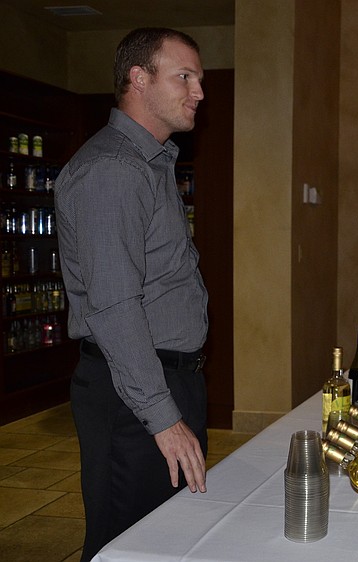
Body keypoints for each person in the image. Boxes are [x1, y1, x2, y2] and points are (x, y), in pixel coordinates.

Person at [54, 28, 209, 561]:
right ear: (138, 80)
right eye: (184, 77)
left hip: (162, 380)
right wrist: (163, 417)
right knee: (130, 544)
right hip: (133, 391)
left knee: (170, 537)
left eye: (200, 79)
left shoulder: (151, 162)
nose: (198, 92)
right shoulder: (113, 170)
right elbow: (115, 308)